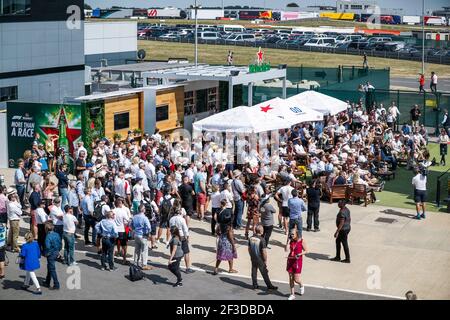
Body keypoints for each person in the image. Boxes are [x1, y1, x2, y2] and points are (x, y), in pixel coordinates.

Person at [248, 224, 278, 292]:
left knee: (254, 271)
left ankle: (255, 285)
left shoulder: (251, 238)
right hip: (260, 258)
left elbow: (249, 249)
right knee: (264, 272)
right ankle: (269, 286)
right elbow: (264, 252)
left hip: (253, 257)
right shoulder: (262, 240)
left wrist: (251, 256)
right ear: (261, 231)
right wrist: (265, 260)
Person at [169, 199, 194, 273]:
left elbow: (171, 228)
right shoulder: (182, 219)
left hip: (174, 236)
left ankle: (175, 265)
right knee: (186, 252)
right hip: (182, 236)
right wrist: (187, 237)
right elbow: (185, 230)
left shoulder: (171, 219)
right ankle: (187, 268)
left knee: (174, 252)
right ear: (179, 212)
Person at [286, 228, 308, 300]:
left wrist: (300, 254)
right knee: (291, 278)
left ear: (296, 234)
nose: (291, 235)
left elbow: (307, 251)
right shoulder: (291, 240)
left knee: (296, 279)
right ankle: (292, 294)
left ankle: (301, 285)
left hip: (297, 261)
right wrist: (288, 241)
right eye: (290, 234)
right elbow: (286, 250)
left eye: (293, 234)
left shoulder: (302, 241)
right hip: (290, 260)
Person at [131, 204, 152, 270]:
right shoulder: (144, 218)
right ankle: (144, 264)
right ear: (143, 210)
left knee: (137, 249)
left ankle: (135, 262)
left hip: (136, 234)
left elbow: (131, 225)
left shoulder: (134, 217)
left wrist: (134, 230)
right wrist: (148, 233)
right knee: (144, 250)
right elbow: (149, 227)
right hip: (143, 235)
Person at [43, 221, 62, 290]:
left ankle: (56, 284)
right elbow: (60, 244)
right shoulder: (57, 234)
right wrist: (58, 251)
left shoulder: (48, 236)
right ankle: (47, 282)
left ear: (46, 229)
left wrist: (46, 253)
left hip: (51, 254)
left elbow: (47, 247)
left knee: (52, 269)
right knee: (50, 267)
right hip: (56, 252)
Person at [113, 198, 131, 265]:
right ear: (119, 204)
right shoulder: (122, 211)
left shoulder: (112, 211)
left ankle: (111, 259)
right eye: (121, 203)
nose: (122, 204)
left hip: (114, 230)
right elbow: (128, 220)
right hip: (121, 230)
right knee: (123, 246)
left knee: (113, 246)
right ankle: (124, 260)